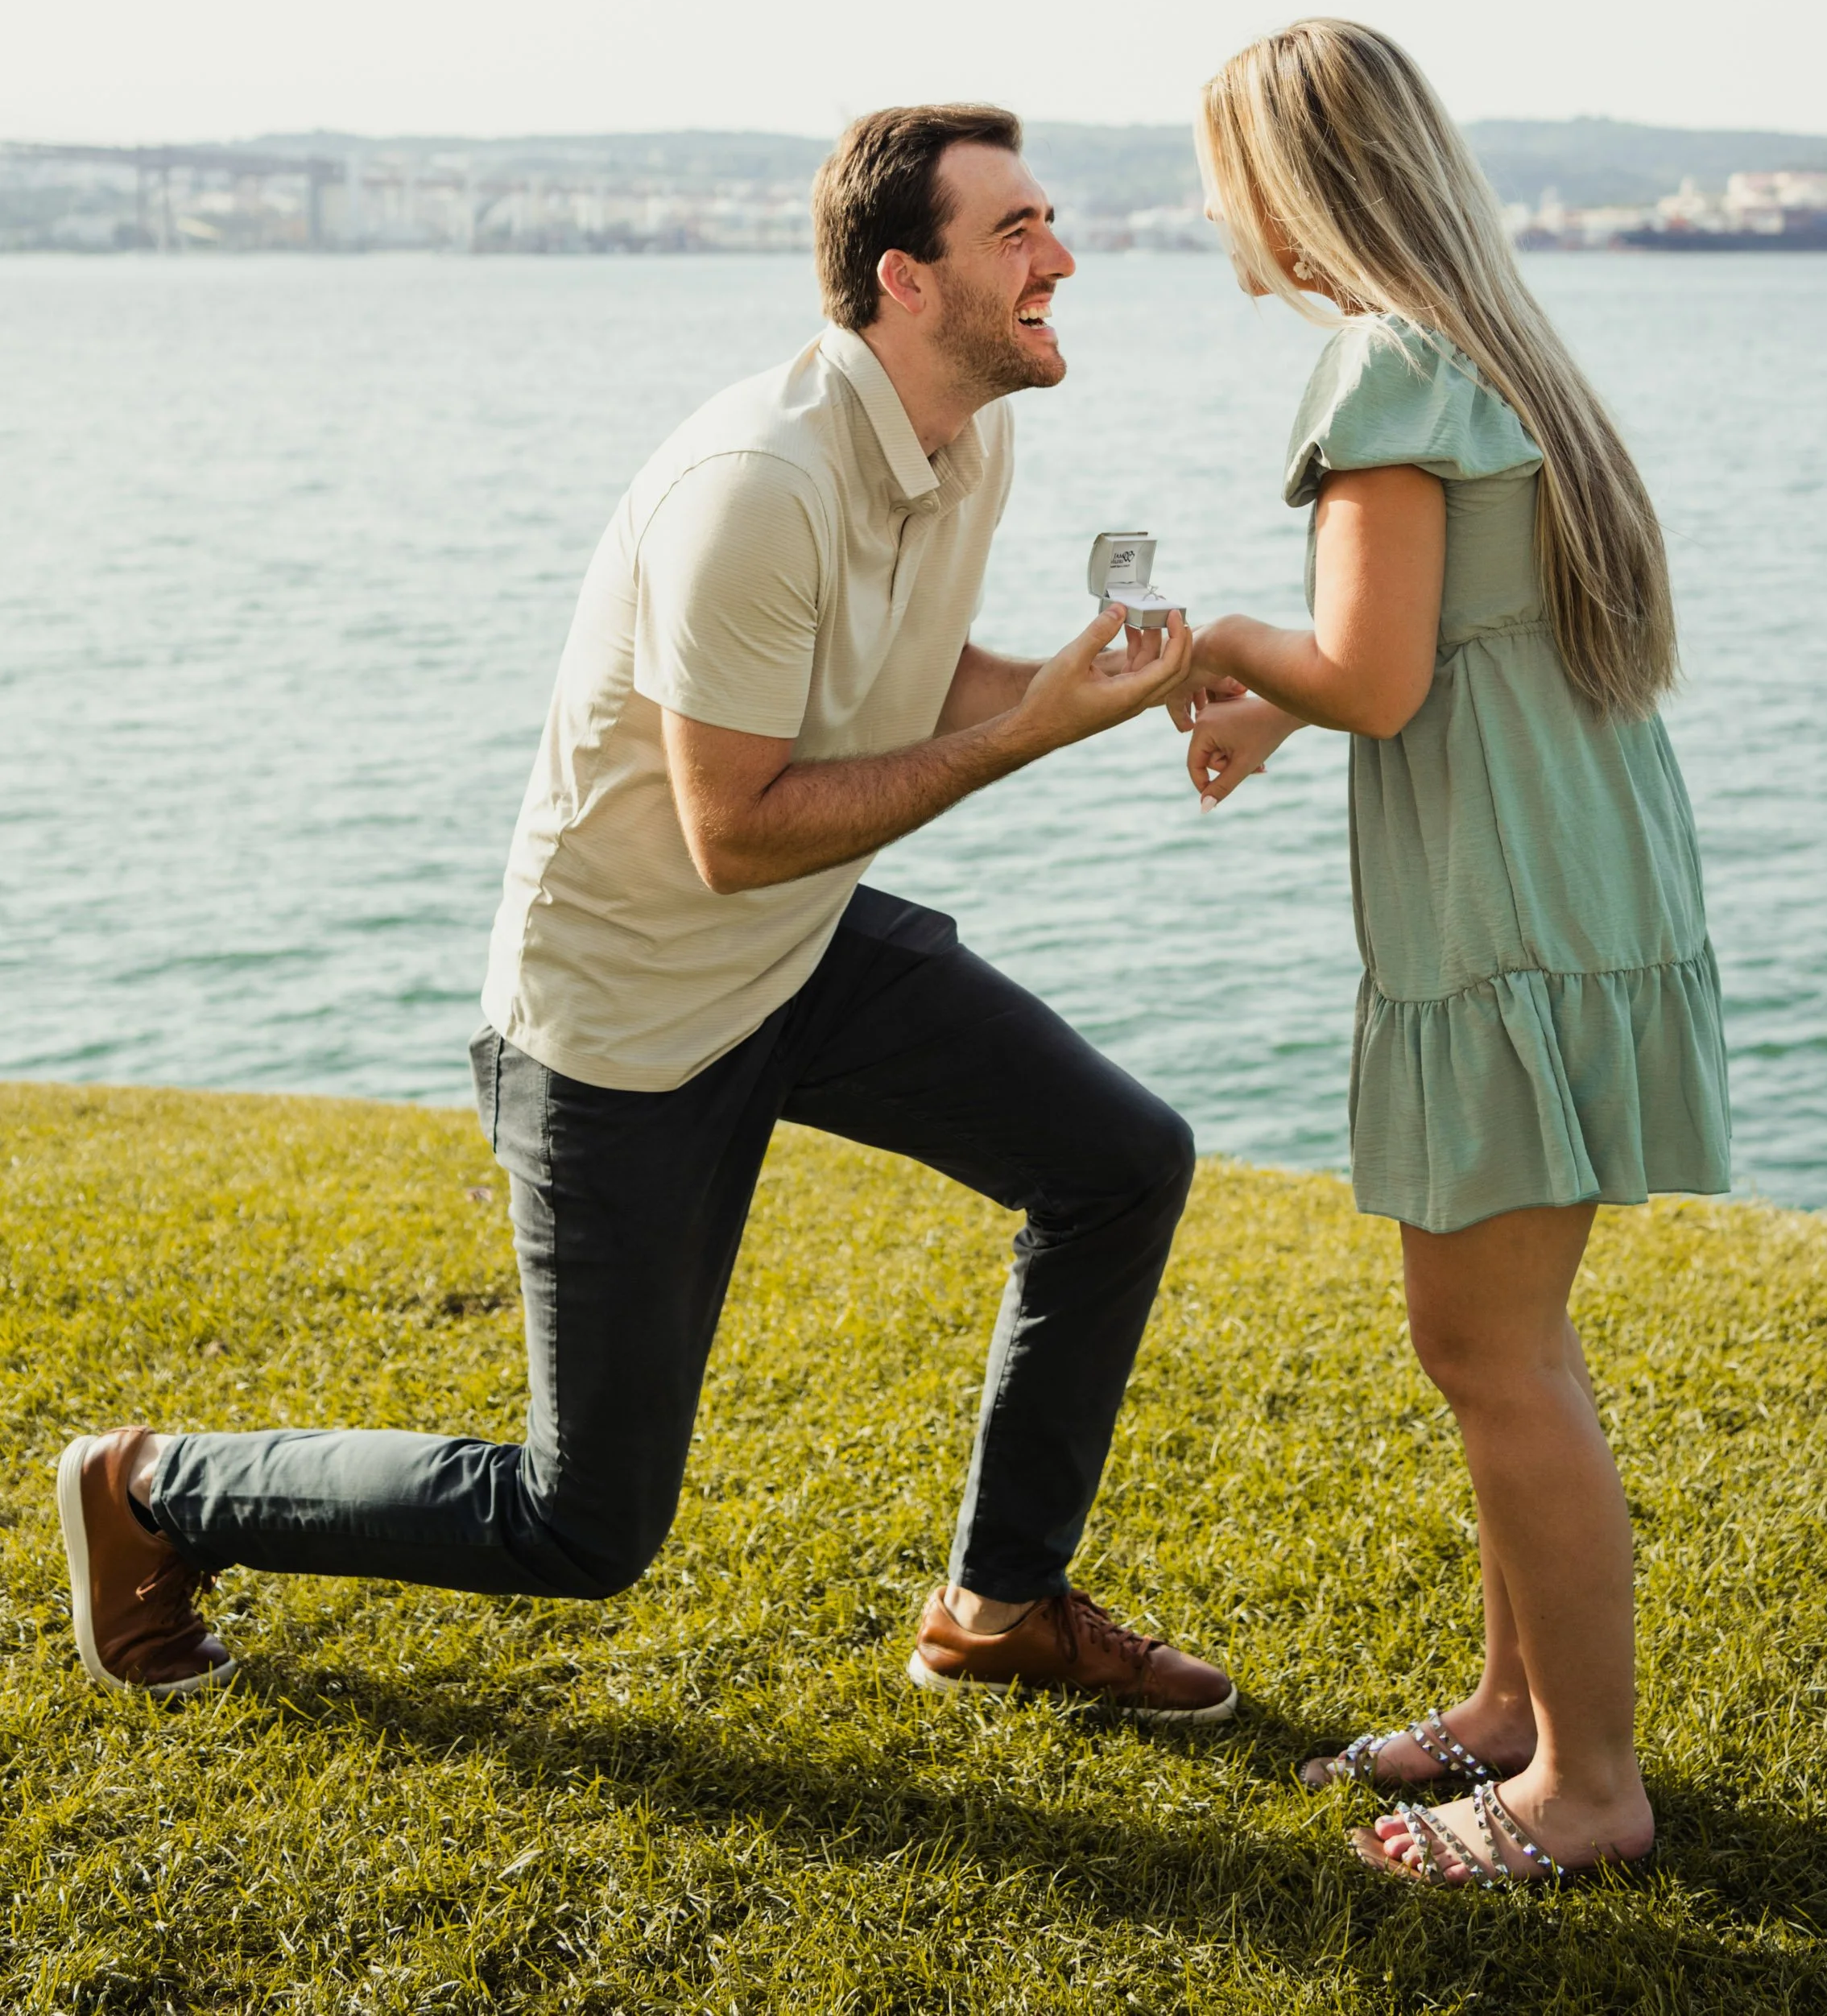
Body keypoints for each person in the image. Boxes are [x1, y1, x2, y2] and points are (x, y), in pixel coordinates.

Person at [58, 104, 1236, 1725]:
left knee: (1117, 1162)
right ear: (904, 278)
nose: (1062, 254)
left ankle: (996, 1604)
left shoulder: (971, 433)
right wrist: (1016, 734)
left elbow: (893, 682)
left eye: (1048, 220)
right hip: (626, 1018)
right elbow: (732, 830)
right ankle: (151, 1488)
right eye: (1016, 231)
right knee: (578, 1522)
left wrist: (1054, 687)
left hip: (799, 951)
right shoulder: (756, 484)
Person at [1174, 20, 1730, 1887]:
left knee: (1483, 1348)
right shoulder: (1491, 348)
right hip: (1578, 876)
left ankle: (1584, 1788)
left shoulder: (1380, 367)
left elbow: (1375, 669)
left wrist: (1227, 648)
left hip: (1500, 907)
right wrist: (1283, 704)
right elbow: (1437, 646)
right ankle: (1512, 1710)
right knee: (1510, 1336)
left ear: (1279, 184)